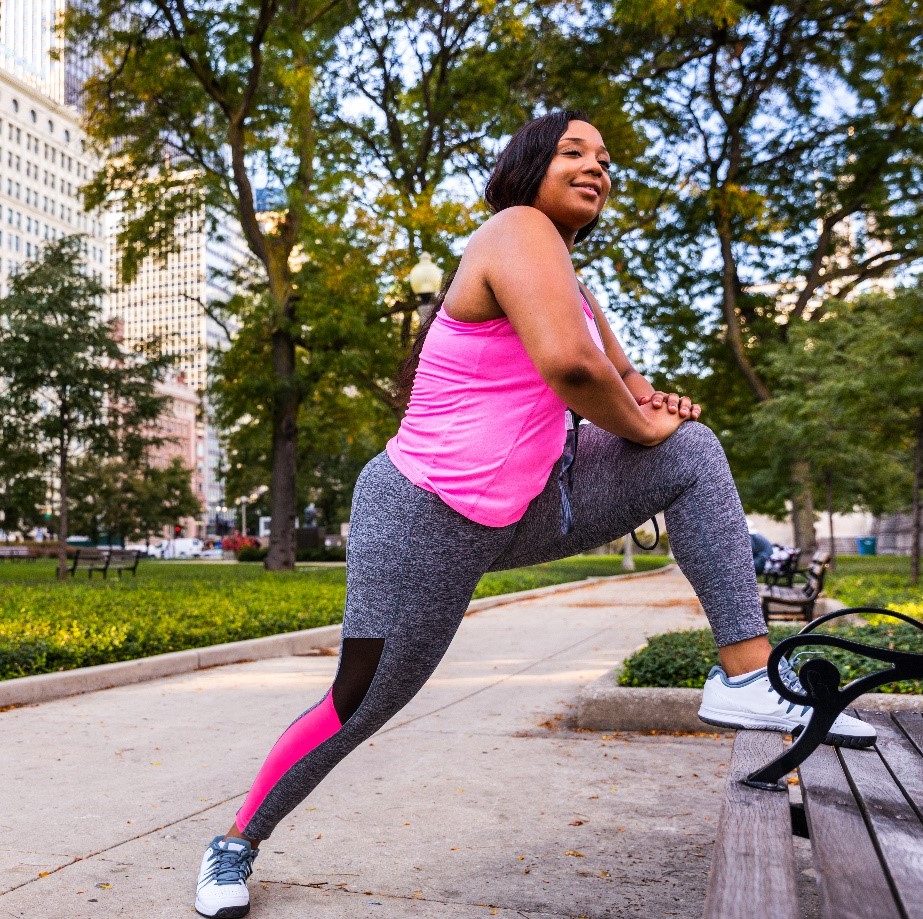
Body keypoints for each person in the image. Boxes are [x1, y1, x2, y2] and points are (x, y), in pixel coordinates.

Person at [192, 111, 876, 919]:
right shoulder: (515, 229)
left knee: (690, 452)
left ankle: (748, 677)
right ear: (528, 167)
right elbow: (571, 367)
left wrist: (659, 409)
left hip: (529, 501)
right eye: (573, 152)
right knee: (362, 698)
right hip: (422, 514)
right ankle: (235, 840)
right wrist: (641, 416)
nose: (596, 167)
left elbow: (620, 378)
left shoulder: (573, 283)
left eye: (605, 159)